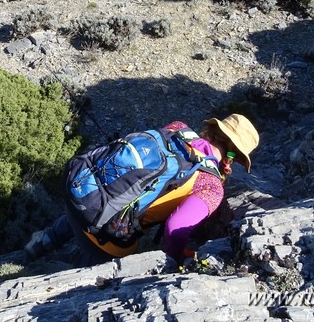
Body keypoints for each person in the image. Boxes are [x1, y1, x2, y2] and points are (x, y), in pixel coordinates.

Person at [24, 114, 259, 266]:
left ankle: (41, 244)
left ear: (213, 129)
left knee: (109, 197)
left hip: (79, 195)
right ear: (235, 158)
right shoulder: (210, 186)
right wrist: (175, 260)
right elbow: (176, 227)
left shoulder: (177, 128)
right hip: (105, 241)